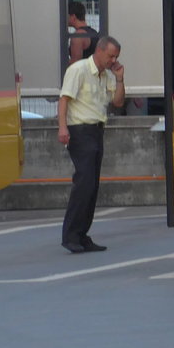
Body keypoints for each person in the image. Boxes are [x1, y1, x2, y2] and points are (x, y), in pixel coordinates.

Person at [57, 35, 124, 254]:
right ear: (100, 50)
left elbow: (117, 102)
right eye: (110, 55)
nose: (113, 60)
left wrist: (120, 79)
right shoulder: (78, 70)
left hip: (97, 129)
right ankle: (71, 235)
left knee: (92, 186)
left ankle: (82, 234)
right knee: (84, 183)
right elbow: (64, 99)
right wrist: (62, 127)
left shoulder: (107, 75)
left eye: (115, 57)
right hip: (80, 129)